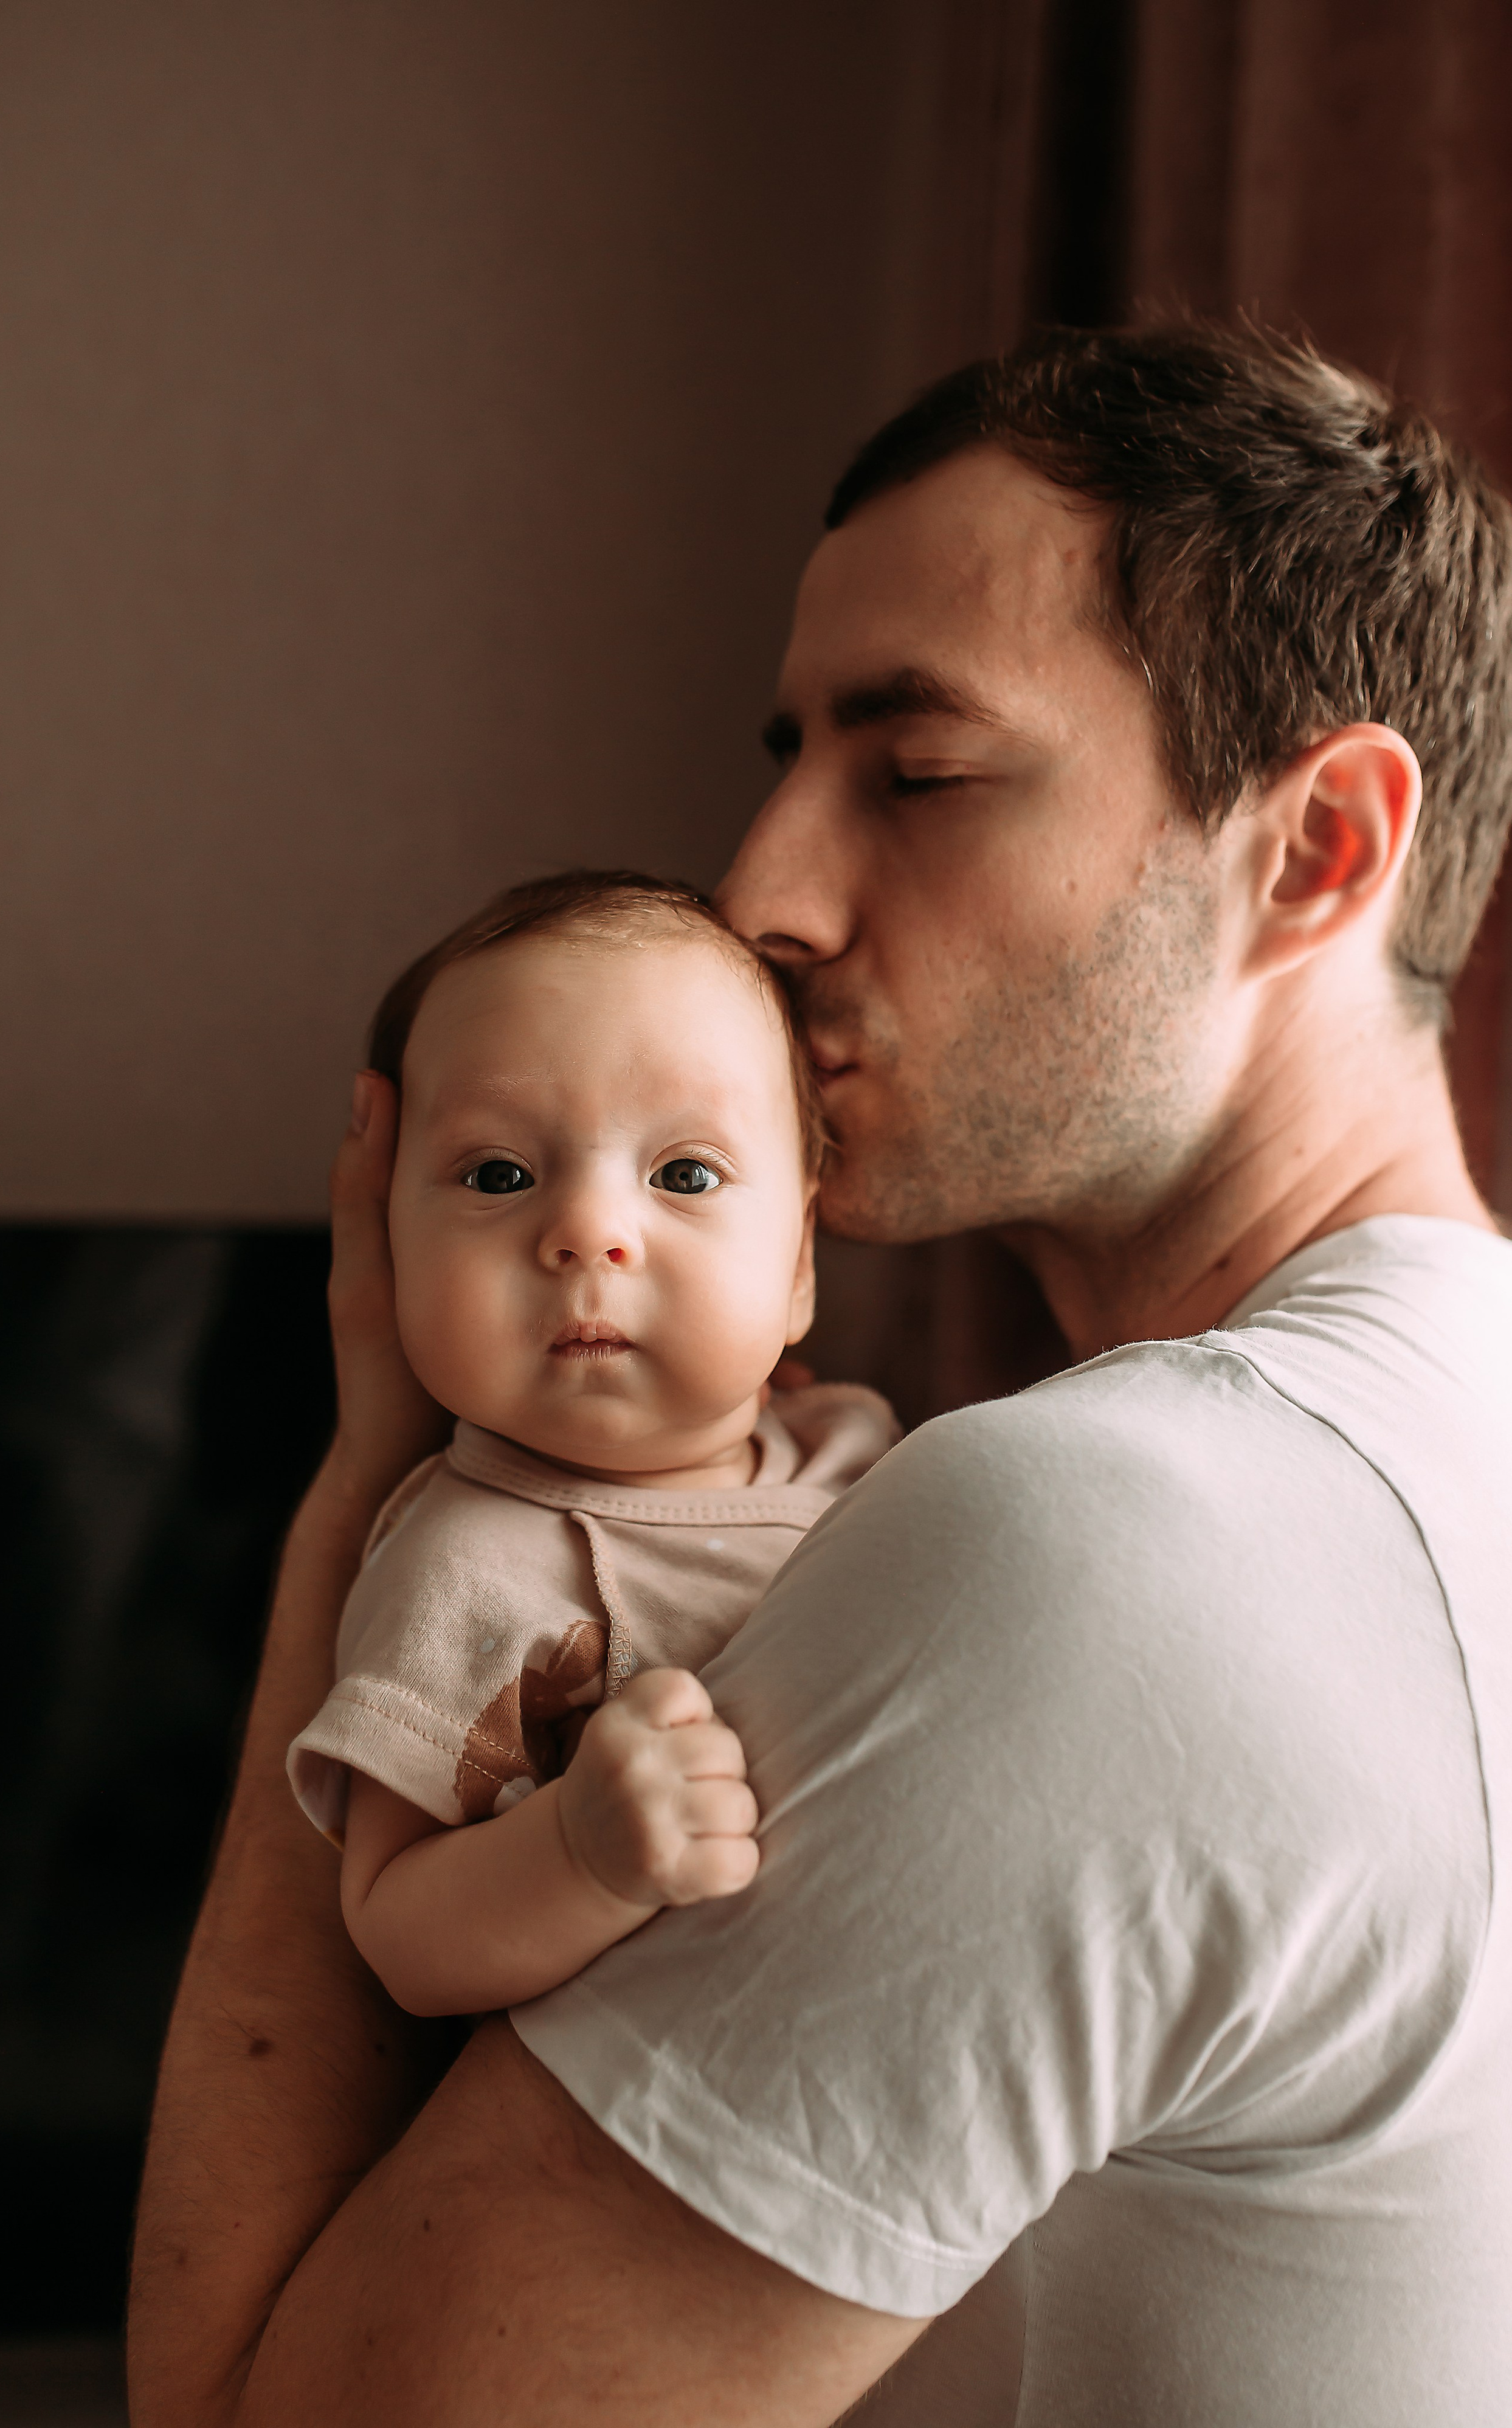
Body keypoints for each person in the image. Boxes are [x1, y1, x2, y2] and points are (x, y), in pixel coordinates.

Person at [129, 319, 1512, 2427]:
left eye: (920, 769)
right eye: (782, 756)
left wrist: (386, 1482)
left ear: (1319, 844)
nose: (758, 892)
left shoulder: (1116, 1546)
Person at [285, 871, 896, 2017]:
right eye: (500, 1174)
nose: (588, 1233)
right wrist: (578, 1854)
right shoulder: (473, 1566)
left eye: (685, 1174)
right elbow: (394, 1926)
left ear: (802, 1259)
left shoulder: (855, 1447)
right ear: (390, 1243)